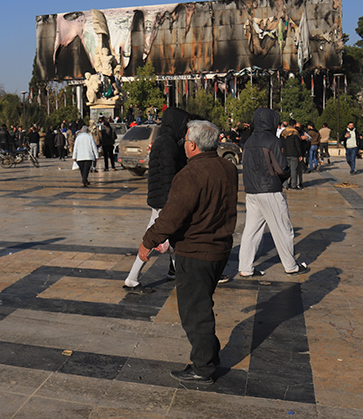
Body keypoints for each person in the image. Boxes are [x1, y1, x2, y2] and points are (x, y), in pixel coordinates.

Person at [138, 120, 238, 386]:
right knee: (202, 303)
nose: (183, 144)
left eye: (185, 141)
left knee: (195, 311)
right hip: (220, 248)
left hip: (196, 251)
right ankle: (209, 355)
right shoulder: (228, 168)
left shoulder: (189, 175)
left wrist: (148, 242)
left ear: (192, 145)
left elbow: (171, 217)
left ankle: (203, 368)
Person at [124, 107, 191, 292]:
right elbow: (170, 174)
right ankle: (133, 278)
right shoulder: (168, 144)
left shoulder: (164, 140)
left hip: (159, 198)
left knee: (162, 237)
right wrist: (173, 201)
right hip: (164, 200)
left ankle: (173, 272)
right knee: (156, 239)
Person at [238, 107, 309, 278]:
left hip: (252, 191)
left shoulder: (248, 141)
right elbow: (282, 168)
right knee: (283, 229)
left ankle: (245, 268)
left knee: (251, 231)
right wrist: (282, 179)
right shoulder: (272, 141)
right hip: (269, 189)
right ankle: (291, 266)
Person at [280, 120, 304, 190]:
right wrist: (300, 155)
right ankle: (293, 185)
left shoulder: (283, 132)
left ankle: (285, 184)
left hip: (285, 153)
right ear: (294, 125)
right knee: (293, 170)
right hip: (294, 154)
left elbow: (280, 143)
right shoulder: (295, 133)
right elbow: (297, 145)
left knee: (285, 170)